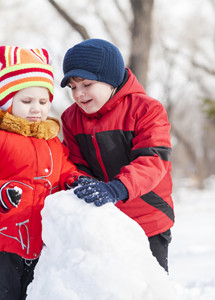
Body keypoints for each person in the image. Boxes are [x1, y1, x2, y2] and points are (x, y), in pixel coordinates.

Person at [0, 46, 82, 300]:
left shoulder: (52, 142)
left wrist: (75, 182)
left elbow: (65, 170)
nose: (36, 108)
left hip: (39, 247)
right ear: (7, 102)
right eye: (26, 101)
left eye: (43, 101)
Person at [60, 39, 174, 273]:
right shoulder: (71, 118)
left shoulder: (145, 109)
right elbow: (74, 162)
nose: (78, 94)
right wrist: (79, 180)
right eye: (72, 87)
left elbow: (152, 159)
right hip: (104, 221)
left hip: (147, 219)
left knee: (148, 288)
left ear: (110, 79)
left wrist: (117, 188)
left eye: (86, 84)